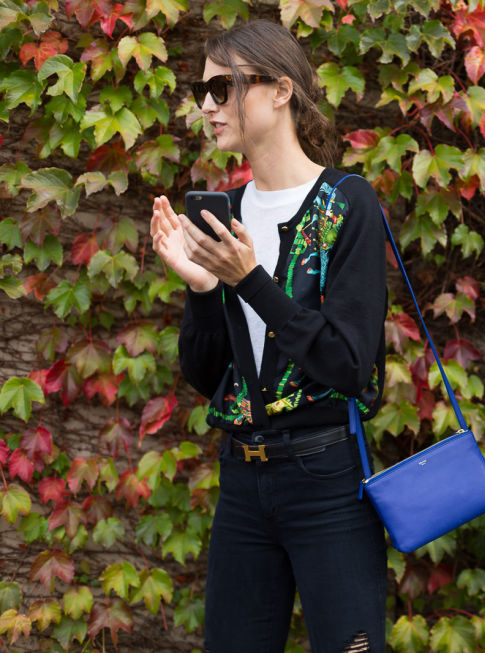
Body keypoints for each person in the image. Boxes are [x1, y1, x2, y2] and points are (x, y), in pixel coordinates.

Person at [150, 20, 388, 653]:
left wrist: (249, 279)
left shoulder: (346, 203)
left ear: (280, 90)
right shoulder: (225, 212)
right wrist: (204, 288)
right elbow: (208, 375)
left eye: (222, 88)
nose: (206, 105)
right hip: (242, 480)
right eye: (202, 90)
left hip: (326, 479)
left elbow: (350, 365)